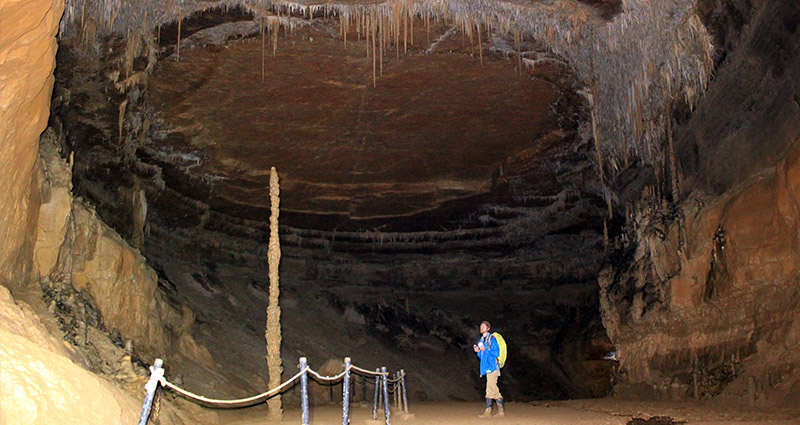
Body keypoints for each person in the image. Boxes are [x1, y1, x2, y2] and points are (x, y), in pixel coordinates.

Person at [473, 320, 504, 418]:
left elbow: (496, 353)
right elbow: (482, 356)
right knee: (490, 388)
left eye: (483, 326)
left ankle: (492, 411)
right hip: (487, 367)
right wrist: (478, 351)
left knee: (491, 387)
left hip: (493, 367)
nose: (481, 327)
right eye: (480, 326)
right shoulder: (482, 340)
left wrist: (484, 350)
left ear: (488, 328)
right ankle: (495, 411)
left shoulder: (492, 339)